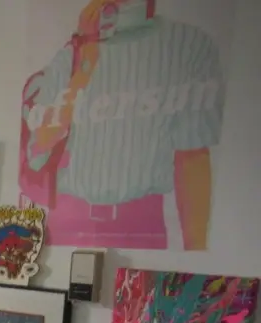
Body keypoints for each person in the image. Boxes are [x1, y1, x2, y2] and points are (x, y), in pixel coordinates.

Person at [20, 0, 224, 250]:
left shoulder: (188, 44)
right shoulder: (69, 57)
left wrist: (197, 251)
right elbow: (37, 155)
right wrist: (84, 64)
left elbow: (192, 157)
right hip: (66, 222)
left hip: (142, 224)